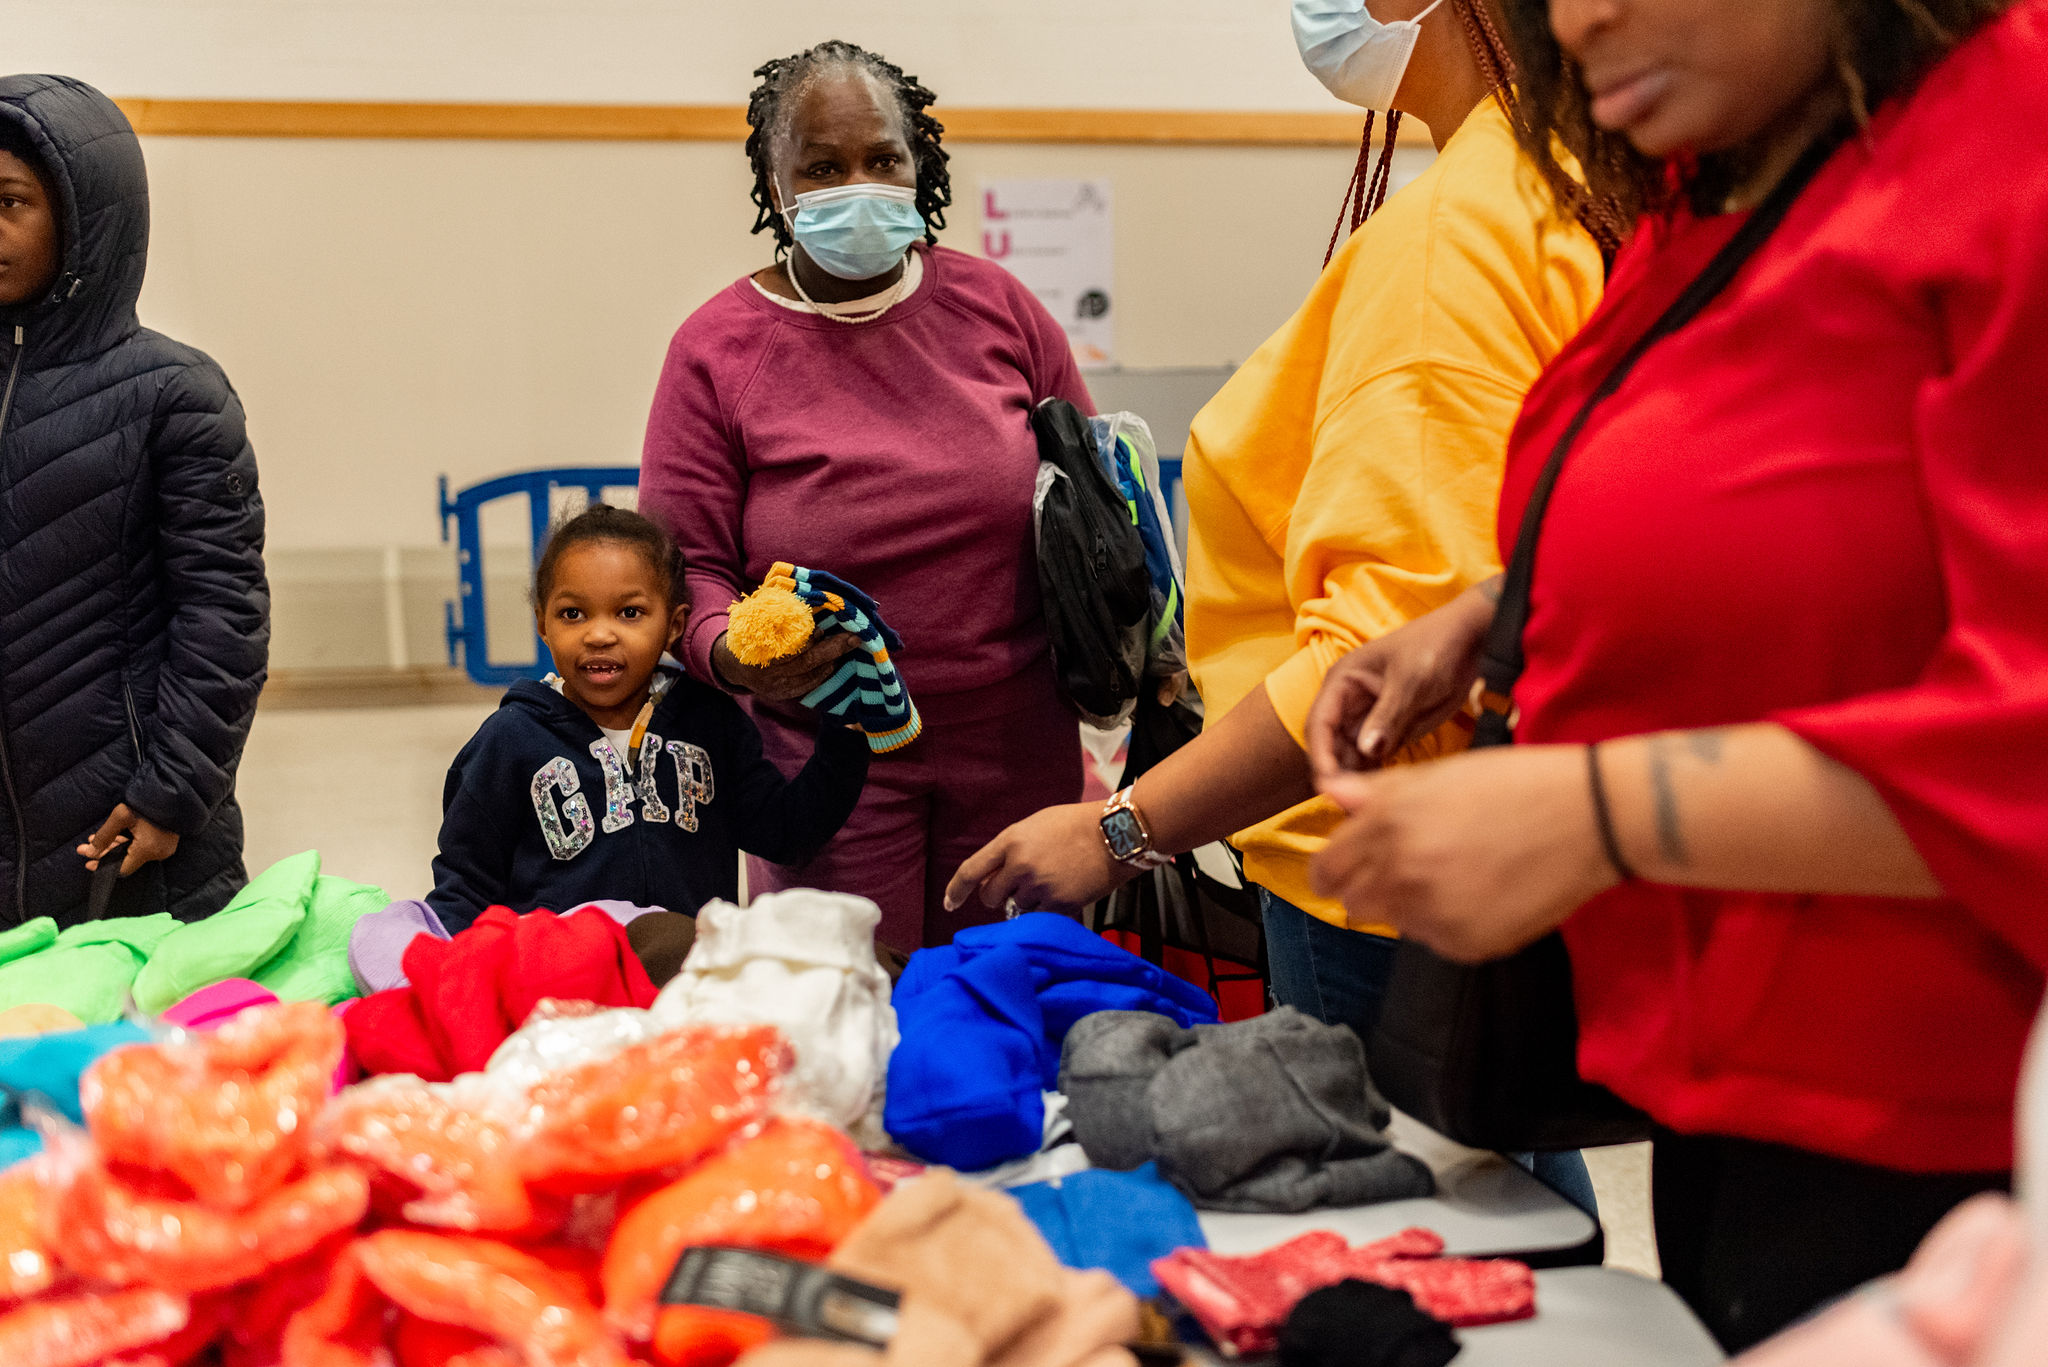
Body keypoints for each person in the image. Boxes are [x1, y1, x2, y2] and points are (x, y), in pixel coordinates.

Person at [1302, 0, 2044, 1349]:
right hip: (1735, 1089)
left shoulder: (2011, 139)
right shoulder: (1732, 167)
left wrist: (1597, 812)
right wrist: (1505, 609)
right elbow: (1805, 503)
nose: (1578, 15)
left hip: (1950, 1137)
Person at [943, 0, 1614, 1206]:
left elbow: (1381, 655)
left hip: (1378, 864)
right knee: (1508, 1189)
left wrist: (1118, 830)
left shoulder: (1454, 237)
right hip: (1497, 843)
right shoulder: (1564, 186)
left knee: (1435, 1226)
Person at [639, 40, 1093, 953]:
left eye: (883, 159)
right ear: (775, 186)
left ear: (918, 162)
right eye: (822, 167)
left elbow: (1092, 503)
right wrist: (732, 656)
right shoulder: (717, 350)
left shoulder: (998, 308)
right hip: (826, 761)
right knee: (844, 997)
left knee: (1011, 996)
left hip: (1018, 748)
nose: (859, 185)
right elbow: (686, 569)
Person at [0, 75, 267, 926]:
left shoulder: (173, 395)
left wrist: (173, 790)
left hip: (127, 836)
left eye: (10, 202)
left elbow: (221, 616)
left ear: (85, 217)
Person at [426, 506, 868, 932]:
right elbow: (464, 887)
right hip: (564, 977)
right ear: (543, 624)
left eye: (630, 613)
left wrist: (844, 735)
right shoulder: (508, 740)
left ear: (674, 625)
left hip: (686, 973)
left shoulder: (710, 722)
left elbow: (787, 833)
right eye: (572, 614)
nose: (599, 635)